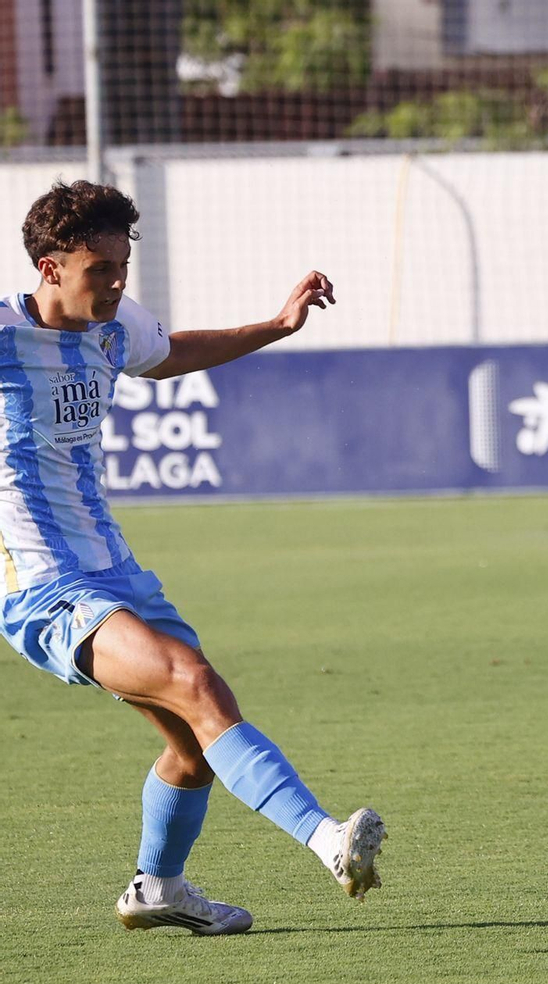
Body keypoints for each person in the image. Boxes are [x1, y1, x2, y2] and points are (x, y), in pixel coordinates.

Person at [1, 180, 385, 936]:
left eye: (120, 267)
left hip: (118, 571)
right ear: (49, 268)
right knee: (195, 682)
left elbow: (171, 353)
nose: (114, 284)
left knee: (195, 742)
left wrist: (278, 324)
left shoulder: (114, 326)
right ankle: (327, 840)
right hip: (43, 586)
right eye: (97, 270)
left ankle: (159, 886)